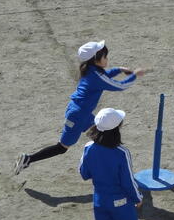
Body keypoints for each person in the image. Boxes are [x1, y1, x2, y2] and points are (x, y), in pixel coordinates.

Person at [14, 41, 146, 175]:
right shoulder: (96, 76)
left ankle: (111, 161)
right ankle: (28, 159)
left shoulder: (90, 69)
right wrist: (134, 75)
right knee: (62, 147)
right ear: (95, 59)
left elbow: (105, 76)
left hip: (81, 112)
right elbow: (119, 86)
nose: (107, 59)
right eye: (105, 57)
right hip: (78, 116)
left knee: (103, 132)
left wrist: (119, 70)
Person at [80, 108, 143, 220]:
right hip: (121, 203)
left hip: (100, 200)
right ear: (117, 129)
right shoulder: (121, 152)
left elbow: (84, 173)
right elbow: (128, 181)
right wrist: (138, 198)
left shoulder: (88, 148)